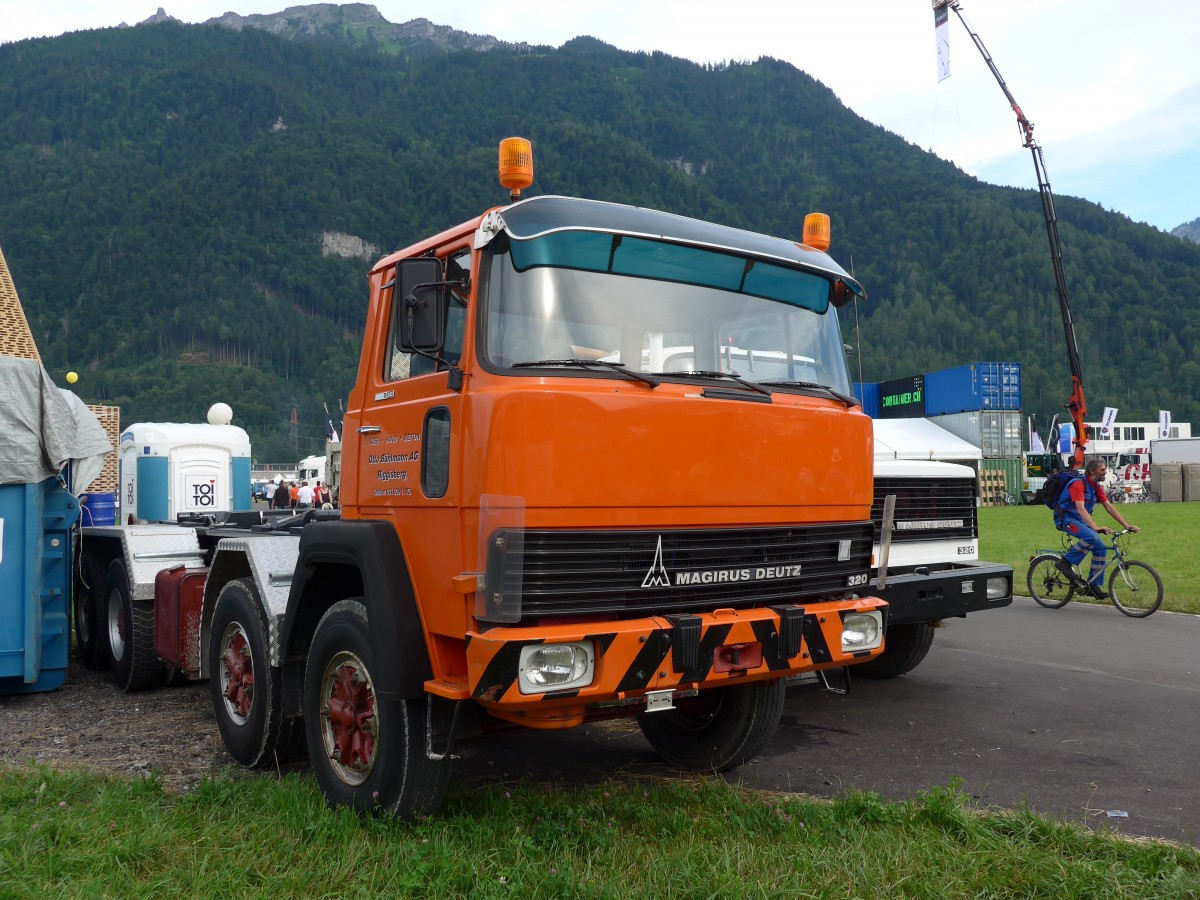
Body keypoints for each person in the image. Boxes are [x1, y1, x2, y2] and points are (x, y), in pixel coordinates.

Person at [1053, 457, 1139, 600]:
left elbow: (1109, 506)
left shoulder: (1096, 487)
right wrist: (1095, 528)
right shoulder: (1078, 484)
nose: (1105, 472)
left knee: (1100, 548)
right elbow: (1080, 508)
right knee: (1091, 537)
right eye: (1102, 470)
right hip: (1066, 519)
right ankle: (1064, 563)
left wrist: (1126, 525)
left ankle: (1093, 585)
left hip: (1080, 520)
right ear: (1092, 471)